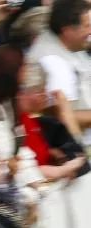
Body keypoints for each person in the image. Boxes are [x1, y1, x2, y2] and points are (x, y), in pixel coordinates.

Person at [26, 0, 91, 149]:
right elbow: (64, 115)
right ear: (67, 30)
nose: (90, 31)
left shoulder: (68, 42)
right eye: (86, 26)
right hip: (78, 146)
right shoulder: (54, 63)